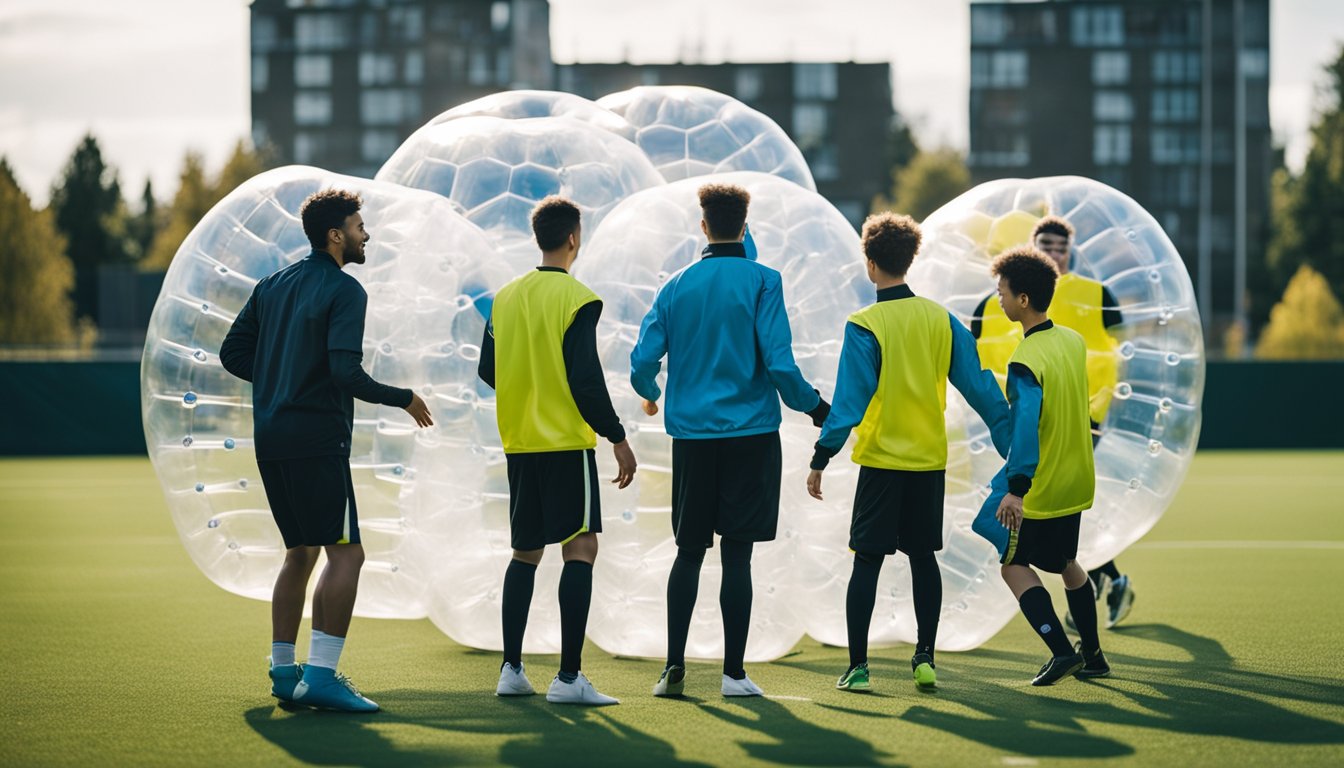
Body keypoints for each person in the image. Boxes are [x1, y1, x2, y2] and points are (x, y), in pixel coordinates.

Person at [220, 189, 434, 713]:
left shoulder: (271, 284)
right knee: (347, 553)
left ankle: (282, 671)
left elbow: (232, 354)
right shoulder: (346, 290)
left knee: (300, 553)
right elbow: (345, 374)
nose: (367, 235)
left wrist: (281, 376)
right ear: (335, 235)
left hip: (271, 440)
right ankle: (319, 677)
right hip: (317, 441)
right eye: (360, 227)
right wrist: (403, 397)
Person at [631, 183, 830, 699]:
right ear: (745, 225)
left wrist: (650, 393)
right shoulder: (765, 280)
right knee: (737, 557)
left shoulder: (676, 285)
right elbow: (780, 364)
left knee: (689, 551)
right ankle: (734, 675)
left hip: (693, 439)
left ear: (703, 226)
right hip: (752, 437)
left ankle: (673, 668)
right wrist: (816, 408)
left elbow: (641, 362)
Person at [806, 212, 1011, 693]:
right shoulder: (942, 319)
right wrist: (1016, 453)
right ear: (910, 260)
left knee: (866, 562)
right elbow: (984, 392)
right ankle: (925, 658)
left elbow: (850, 404)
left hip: (880, 464)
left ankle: (858, 667)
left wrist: (820, 457)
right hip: (928, 464)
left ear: (870, 264)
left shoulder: (864, 324)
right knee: (923, 559)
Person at [477, 195, 637, 706]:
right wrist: (617, 437)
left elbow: (487, 370)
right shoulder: (579, 299)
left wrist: (527, 384)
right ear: (573, 238)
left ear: (538, 237)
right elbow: (586, 382)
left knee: (525, 553)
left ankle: (511, 670)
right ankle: (568, 679)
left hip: (519, 444)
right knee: (581, 548)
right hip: (566, 444)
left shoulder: (504, 298)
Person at [970, 216, 1135, 628]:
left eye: (1061, 246)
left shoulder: (1092, 297)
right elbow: (977, 357)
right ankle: (1103, 594)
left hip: (1073, 422)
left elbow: (1116, 353)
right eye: (1046, 243)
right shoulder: (1000, 307)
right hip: (1023, 428)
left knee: (1022, 541)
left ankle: (1073, 630)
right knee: (1057, 534)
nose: (1054, 251)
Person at [973, 246, 1109, 686]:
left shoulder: (1024, 359)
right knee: (1067, 562)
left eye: (1002, 292)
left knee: (1012, 565)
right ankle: (1093, 656)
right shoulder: (1072, 341)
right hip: (1077, 479)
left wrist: (1017, 487)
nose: (999, 299)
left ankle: (1060, 651)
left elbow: (1028, 425)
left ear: (1023, 300)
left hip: (1041, 486)